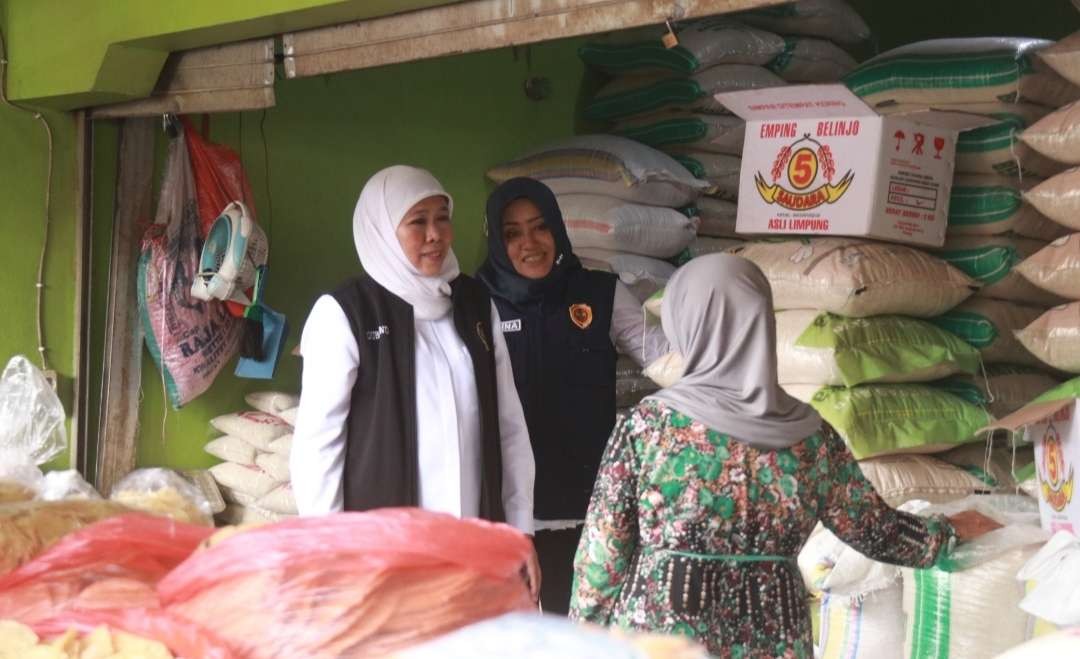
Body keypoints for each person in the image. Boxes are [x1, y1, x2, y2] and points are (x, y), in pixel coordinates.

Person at [568, 254, 999, 657]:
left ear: (687, 324)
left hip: (662, 637)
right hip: (776, 638)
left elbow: (602, 555)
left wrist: (577, 638)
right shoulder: (810, 437)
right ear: (760, 322)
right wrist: (949, 534)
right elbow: (874, 530)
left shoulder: (649, 428)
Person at [291, 165, 540, 598]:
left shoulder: (475, 304)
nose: (435, 234)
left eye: (442, 217)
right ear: (383, 230)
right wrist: (328, 554)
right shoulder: (347, 313)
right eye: (417, 221)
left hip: (473, 544)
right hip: (380, 555)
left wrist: (520, 532)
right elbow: (318, 445)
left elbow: (509, 426)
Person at [477, 177, 669, 614]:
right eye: (512, 233)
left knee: (576, 631)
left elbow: (664, 362)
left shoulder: (600, 293)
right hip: (506, 511)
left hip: (585, 506)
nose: (530, 243)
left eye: (540, 227)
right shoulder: (476, 301)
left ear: (558, 229)